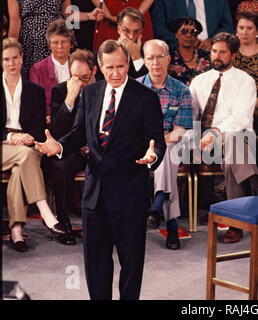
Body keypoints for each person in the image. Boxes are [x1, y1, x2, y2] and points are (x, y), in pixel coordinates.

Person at [35, 40, 166, 300]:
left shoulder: (146, 98)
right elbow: (79, 133)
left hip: (130, 195)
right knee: (96, 265)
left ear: (128, 64)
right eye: (109, 68)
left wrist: (153, 156)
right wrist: (58, 147)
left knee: (131, 265)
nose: (115, 73)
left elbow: (157, 142)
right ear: (99, 68)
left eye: (120, 66)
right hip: (94, 197)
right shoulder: (90, 93)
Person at [189, 32, 258, 243]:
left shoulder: (245, 81)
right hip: (206, 141)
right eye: (214, 51)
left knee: (234, 143)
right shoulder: (199, 81)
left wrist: (216, 133)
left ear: (234, 55)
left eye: (223, 52)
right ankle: (256, 189)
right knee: (232, 148)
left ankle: (235, 222)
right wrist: (195, 139)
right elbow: (191, 116)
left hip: (240, 136)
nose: (217, 56)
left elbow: (241, 118)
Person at [2, 38, 67, 253]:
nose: (11, 63)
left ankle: (16, 230)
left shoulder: (35, 91)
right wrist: (13, 138)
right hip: (4, 144)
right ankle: (45, 210)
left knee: (21, 165)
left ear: (22, 58)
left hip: (27, 145)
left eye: (15, 58)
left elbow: (39, 128)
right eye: (6, 59)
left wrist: (27, 137)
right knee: (25, 156)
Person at [139, 39, 194, 250]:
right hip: (140, 144)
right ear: (144, 61)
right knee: (167, 158)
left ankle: (157, 206)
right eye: (151, 58)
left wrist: (158, 145)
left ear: (168, 59)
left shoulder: (181, 91)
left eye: (160, 56)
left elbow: (181, 130)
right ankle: (168, 220)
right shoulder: (135, 87)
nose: (155, 62)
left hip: (171, 142)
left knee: (167, 152)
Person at [49, 49, 97, 245]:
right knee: (59, 165)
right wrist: (70, 98)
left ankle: (100, 223)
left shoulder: (104, 88)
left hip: (99, 147)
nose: (80, 82)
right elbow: (57, 131)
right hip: (74, 147)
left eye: (84, 77)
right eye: (75, 77)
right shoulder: (60, 91)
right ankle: (63, 222)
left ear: (94, 72)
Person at [7, 0, 103, 76]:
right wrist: (10, 49)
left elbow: (68, 13)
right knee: (35, 78)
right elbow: (15, 21)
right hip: (31, 43)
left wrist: (89, 15)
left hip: (57, 39)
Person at [29, 19, 75, 125]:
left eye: (64, 42)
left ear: (71, 43)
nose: (60, 46)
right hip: (49, 123)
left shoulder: (81, 65)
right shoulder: (37, 70)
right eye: (55, 42)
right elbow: (36, 104)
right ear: (49, 45)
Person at [151, 0, 234, 51]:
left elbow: (227, 26)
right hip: (177, 54)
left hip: (212, 51)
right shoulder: (164, 1)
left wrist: (212, 41)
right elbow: (159, 29)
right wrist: (184, 43)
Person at [95, 7, 149, 80]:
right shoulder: (101, 54)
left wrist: (137, 57)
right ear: (118, 29)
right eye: (126, 31)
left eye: (136, 32)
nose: (131, 36)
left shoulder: (149, 54)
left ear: (142, 31)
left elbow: (148, 86)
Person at [167, 17, 212, 86]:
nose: (189, 35)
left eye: (193, 32)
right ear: (176, 34)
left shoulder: (207, 56)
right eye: (184, 31)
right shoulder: (169, 58)